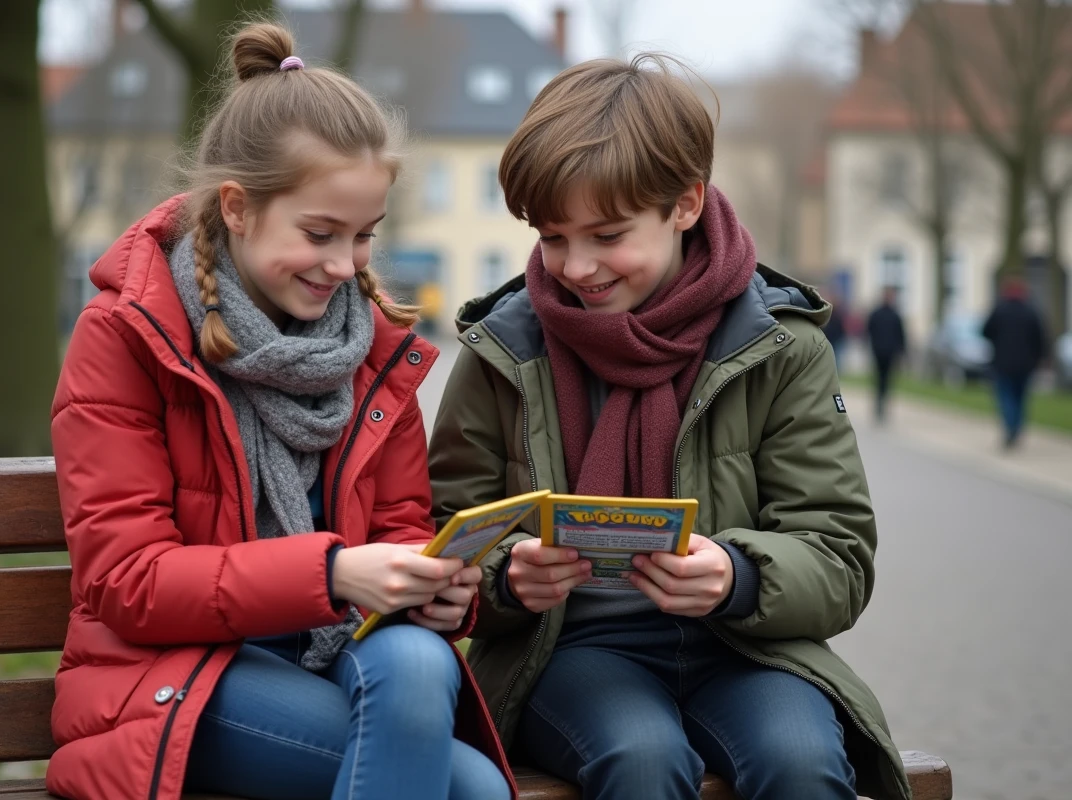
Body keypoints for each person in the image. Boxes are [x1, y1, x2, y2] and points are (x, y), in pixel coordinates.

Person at [46, 23, 512, 800]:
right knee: (474, 792)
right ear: (236, 206)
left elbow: (399, 527)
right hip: (176, 676)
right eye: (320, 233)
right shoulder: (127, 335)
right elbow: (126, 582)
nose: (344, 265)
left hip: (334, 656)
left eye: (364, 236)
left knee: (426, 661)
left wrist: (433, 589)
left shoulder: (374, 347)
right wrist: (332, 572)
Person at [429, 54, 909, 800]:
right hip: (571, 649)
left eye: (607, 234)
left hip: (746, 646)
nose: (576, 267)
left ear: (685, 205)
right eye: (553, 237)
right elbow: (440, 533)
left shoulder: (783, 345)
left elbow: (839, 554)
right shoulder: (504, 348)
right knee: (642, 760)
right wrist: (509, 578)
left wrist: (737, 575)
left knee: (801, 764)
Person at [982, 276, 1047, 449]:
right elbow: (1040, 338)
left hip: (1003, 362)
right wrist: (1040, 358)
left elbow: (985, 331)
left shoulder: (1000, 310)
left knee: (1006, 397)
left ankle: (1010, 429)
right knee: (1020, 397)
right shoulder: (1031, 311)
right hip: (1026, 364)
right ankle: (1017, 428)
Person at [866, 286, 908, 422]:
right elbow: (869, 331)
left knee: (887, 380)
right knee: (879, 379)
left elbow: (901, 335)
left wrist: (902, 351)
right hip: (878, 352)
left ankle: (883, 405)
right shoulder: (876, 314)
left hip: (890, 353)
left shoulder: (895, 315)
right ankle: (878, 405)